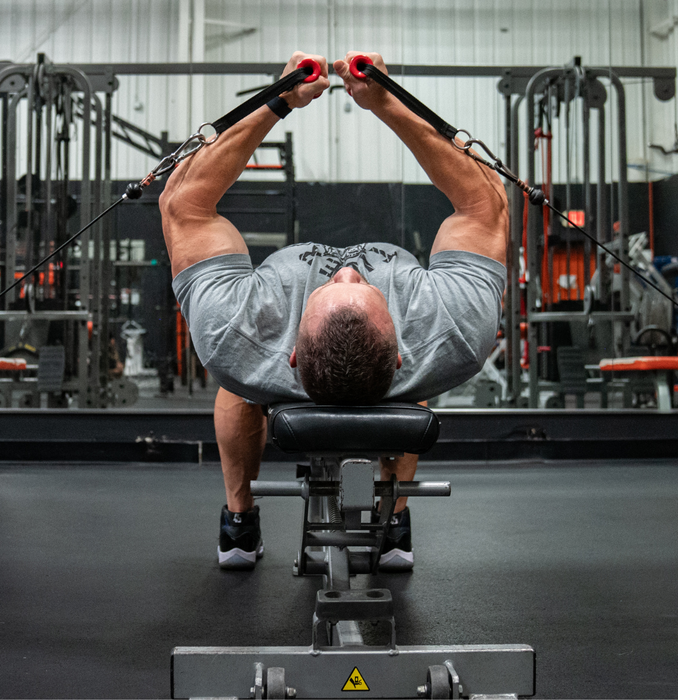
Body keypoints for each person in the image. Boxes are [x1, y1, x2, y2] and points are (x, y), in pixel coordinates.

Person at [159, 51, 508, 571]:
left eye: (335, 285)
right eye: (359, 285)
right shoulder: (452, 332)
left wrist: (279, 100)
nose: (343, 273)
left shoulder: (235, 331)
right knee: (425, 383)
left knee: (236, 381)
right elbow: (485, 202)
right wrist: (388, 103)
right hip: (415, 367)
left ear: (292, 352)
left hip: (255, 362)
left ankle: (240, 521)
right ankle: (394, 523)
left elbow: (183, 204)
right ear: (399, 353)